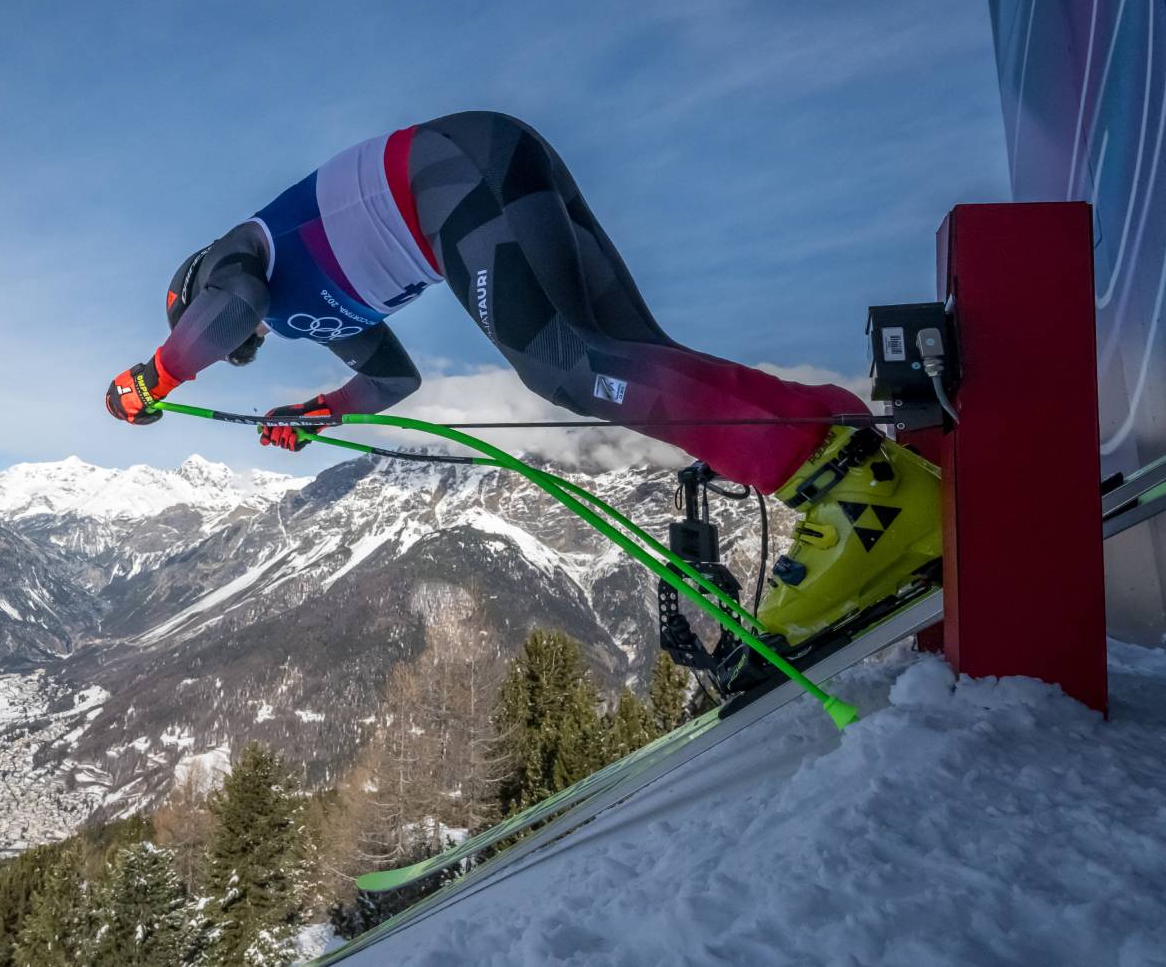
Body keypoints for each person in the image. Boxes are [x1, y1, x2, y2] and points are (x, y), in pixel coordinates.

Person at [104, 111, 939, 680]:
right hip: (492, 162)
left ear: (190, 295)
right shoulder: (301, 314)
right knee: (631, 358)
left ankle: (853, 490)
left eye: (228, 339)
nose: (247, 343)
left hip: (454, 179)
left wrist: (154, 376)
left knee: (559, 366)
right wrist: (323, 412)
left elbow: (230, 309)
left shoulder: (230, 264)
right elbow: (395, 378)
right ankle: (830, 430)